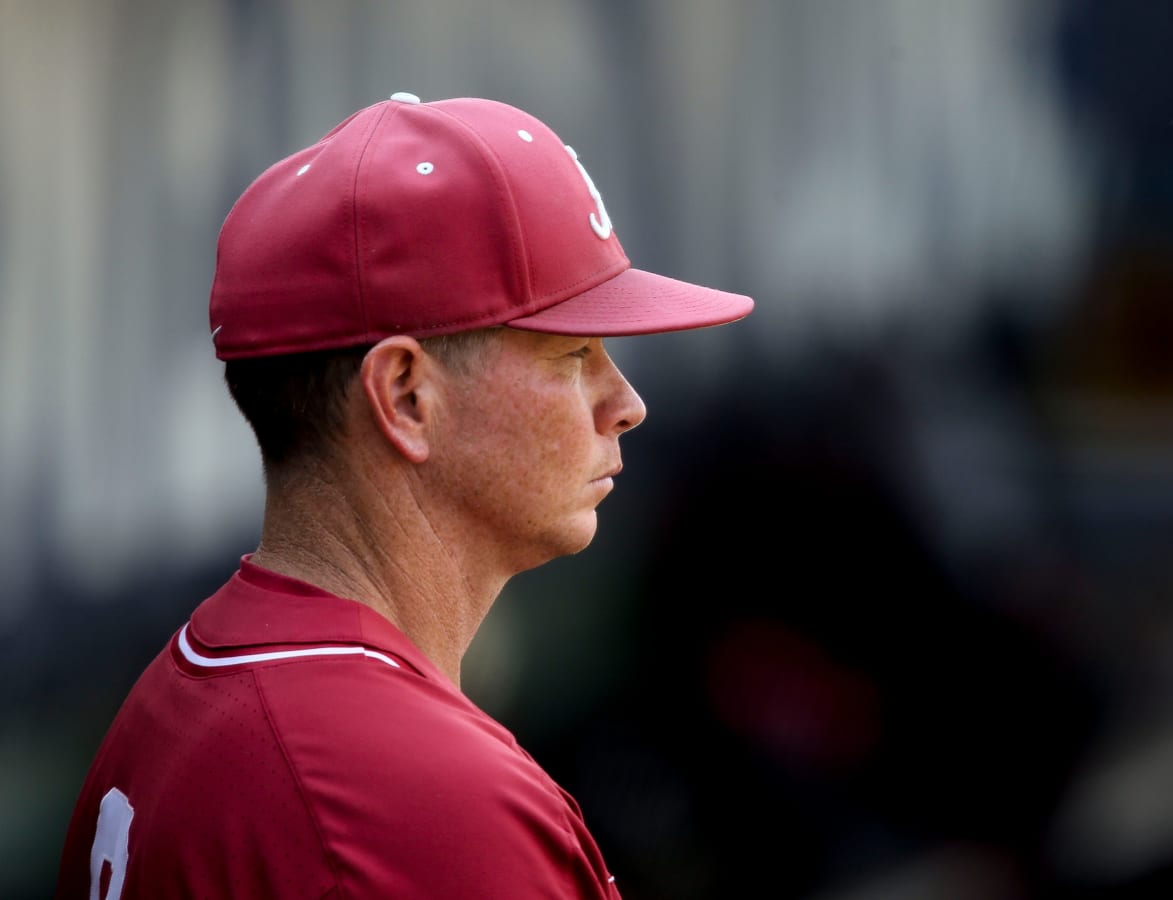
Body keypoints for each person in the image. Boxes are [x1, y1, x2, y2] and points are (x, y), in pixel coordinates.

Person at [54, 91, 753, 899]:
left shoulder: (170, 709)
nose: (625, 403)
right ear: (407, 396)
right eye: (574, 353)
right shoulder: (411, 804)